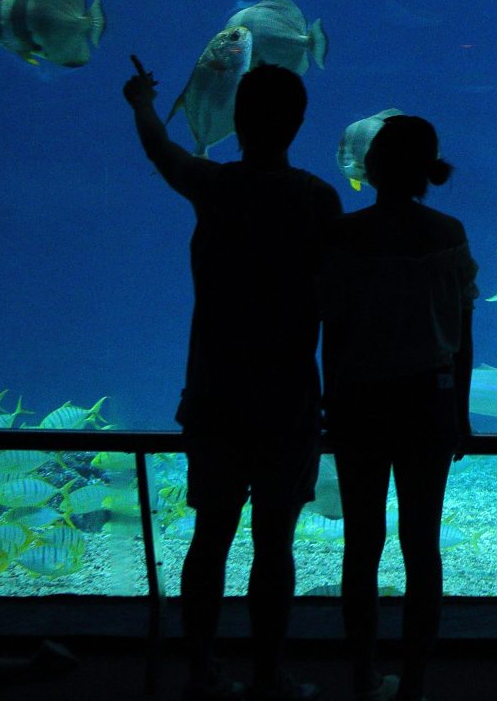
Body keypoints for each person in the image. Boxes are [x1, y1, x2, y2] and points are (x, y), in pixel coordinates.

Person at [124, 59, 342, 701]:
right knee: (274, 542)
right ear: (299, 124)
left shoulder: (213, 184)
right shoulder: (317, 198)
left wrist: (141, 101)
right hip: (287, 399)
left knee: (211, 534)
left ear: (236, 120)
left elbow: (160, 148)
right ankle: (270, 673)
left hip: (216, 393)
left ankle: (198, 671)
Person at [320, 116, 477, 701]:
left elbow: (330, 332)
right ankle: (413, 683)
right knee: (422, 543)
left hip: (359, 401)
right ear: (428, 171)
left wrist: (330, 402)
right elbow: (463, 337)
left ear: (373, 167)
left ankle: (362, 678)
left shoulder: (344, 233)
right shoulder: (448, 232)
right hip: (429, 403)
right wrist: (461, 413)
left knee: (361, 545)